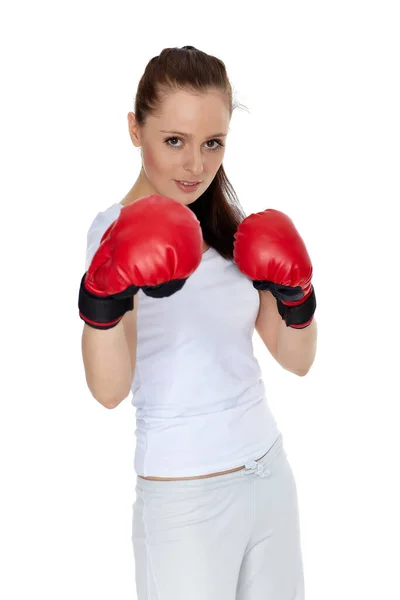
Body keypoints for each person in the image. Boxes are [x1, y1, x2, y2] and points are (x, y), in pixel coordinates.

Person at [79, 46, 317, 600]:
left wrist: (298, 294)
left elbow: (298, 360)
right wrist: (101, 297)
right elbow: (109, 391)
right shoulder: (113, 234)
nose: (195, 166)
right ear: (135, 130)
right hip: (185, 495)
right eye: (175, 141)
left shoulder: (230, 231)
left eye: (213, 143)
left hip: (268, 474)